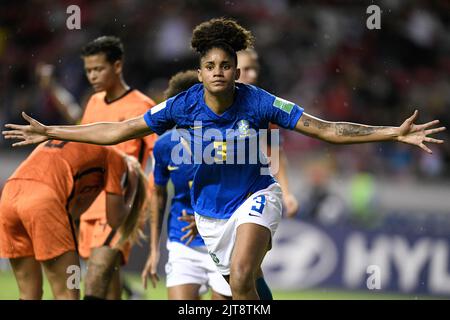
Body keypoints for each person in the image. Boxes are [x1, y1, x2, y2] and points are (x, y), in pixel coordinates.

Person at [3, 18, 445, 300]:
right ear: (200, 72)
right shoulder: (181, 106)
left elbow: (326, 129)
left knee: (238, 276)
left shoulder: (259, 102)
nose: (218, 71)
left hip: (256, 197)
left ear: (236, 70)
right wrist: (50, 129)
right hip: (207, 216)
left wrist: (393, 131)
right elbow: (118, 130)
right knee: (242, 290)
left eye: (226, 64)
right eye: (210, 64)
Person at [0, 140, 149, 300]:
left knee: (29, 294)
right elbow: (115, 219)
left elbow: (73, 212)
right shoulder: (115, 158)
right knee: (69, 293)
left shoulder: (85, 150)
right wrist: (132, 187)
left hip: (8, 197)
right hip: (44, 200)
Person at [141, 70, 232, 300]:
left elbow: (241, 194)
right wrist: (154, 250)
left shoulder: (228, 142)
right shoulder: (163, 146)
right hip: (183, 243)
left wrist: (205, 221)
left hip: (223, 241)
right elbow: (158, 194)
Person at [77, 36, 156, 300]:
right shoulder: (94, 102)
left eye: (98, 69)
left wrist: (149, 196)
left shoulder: (142, 105)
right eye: (88, 70)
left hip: (120, 205)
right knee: (108, 280)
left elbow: (161, 155)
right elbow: (84, 150)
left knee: (96, 274)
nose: (92, 76)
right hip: (90, 203)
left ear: (118, 66)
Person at [237, 49, 299, 218]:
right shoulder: (208, 104)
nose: (253, 74)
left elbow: (275, 152)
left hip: (252, 195)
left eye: (255, 69)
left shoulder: (264, 108)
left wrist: (286, 193)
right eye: (246, 69)